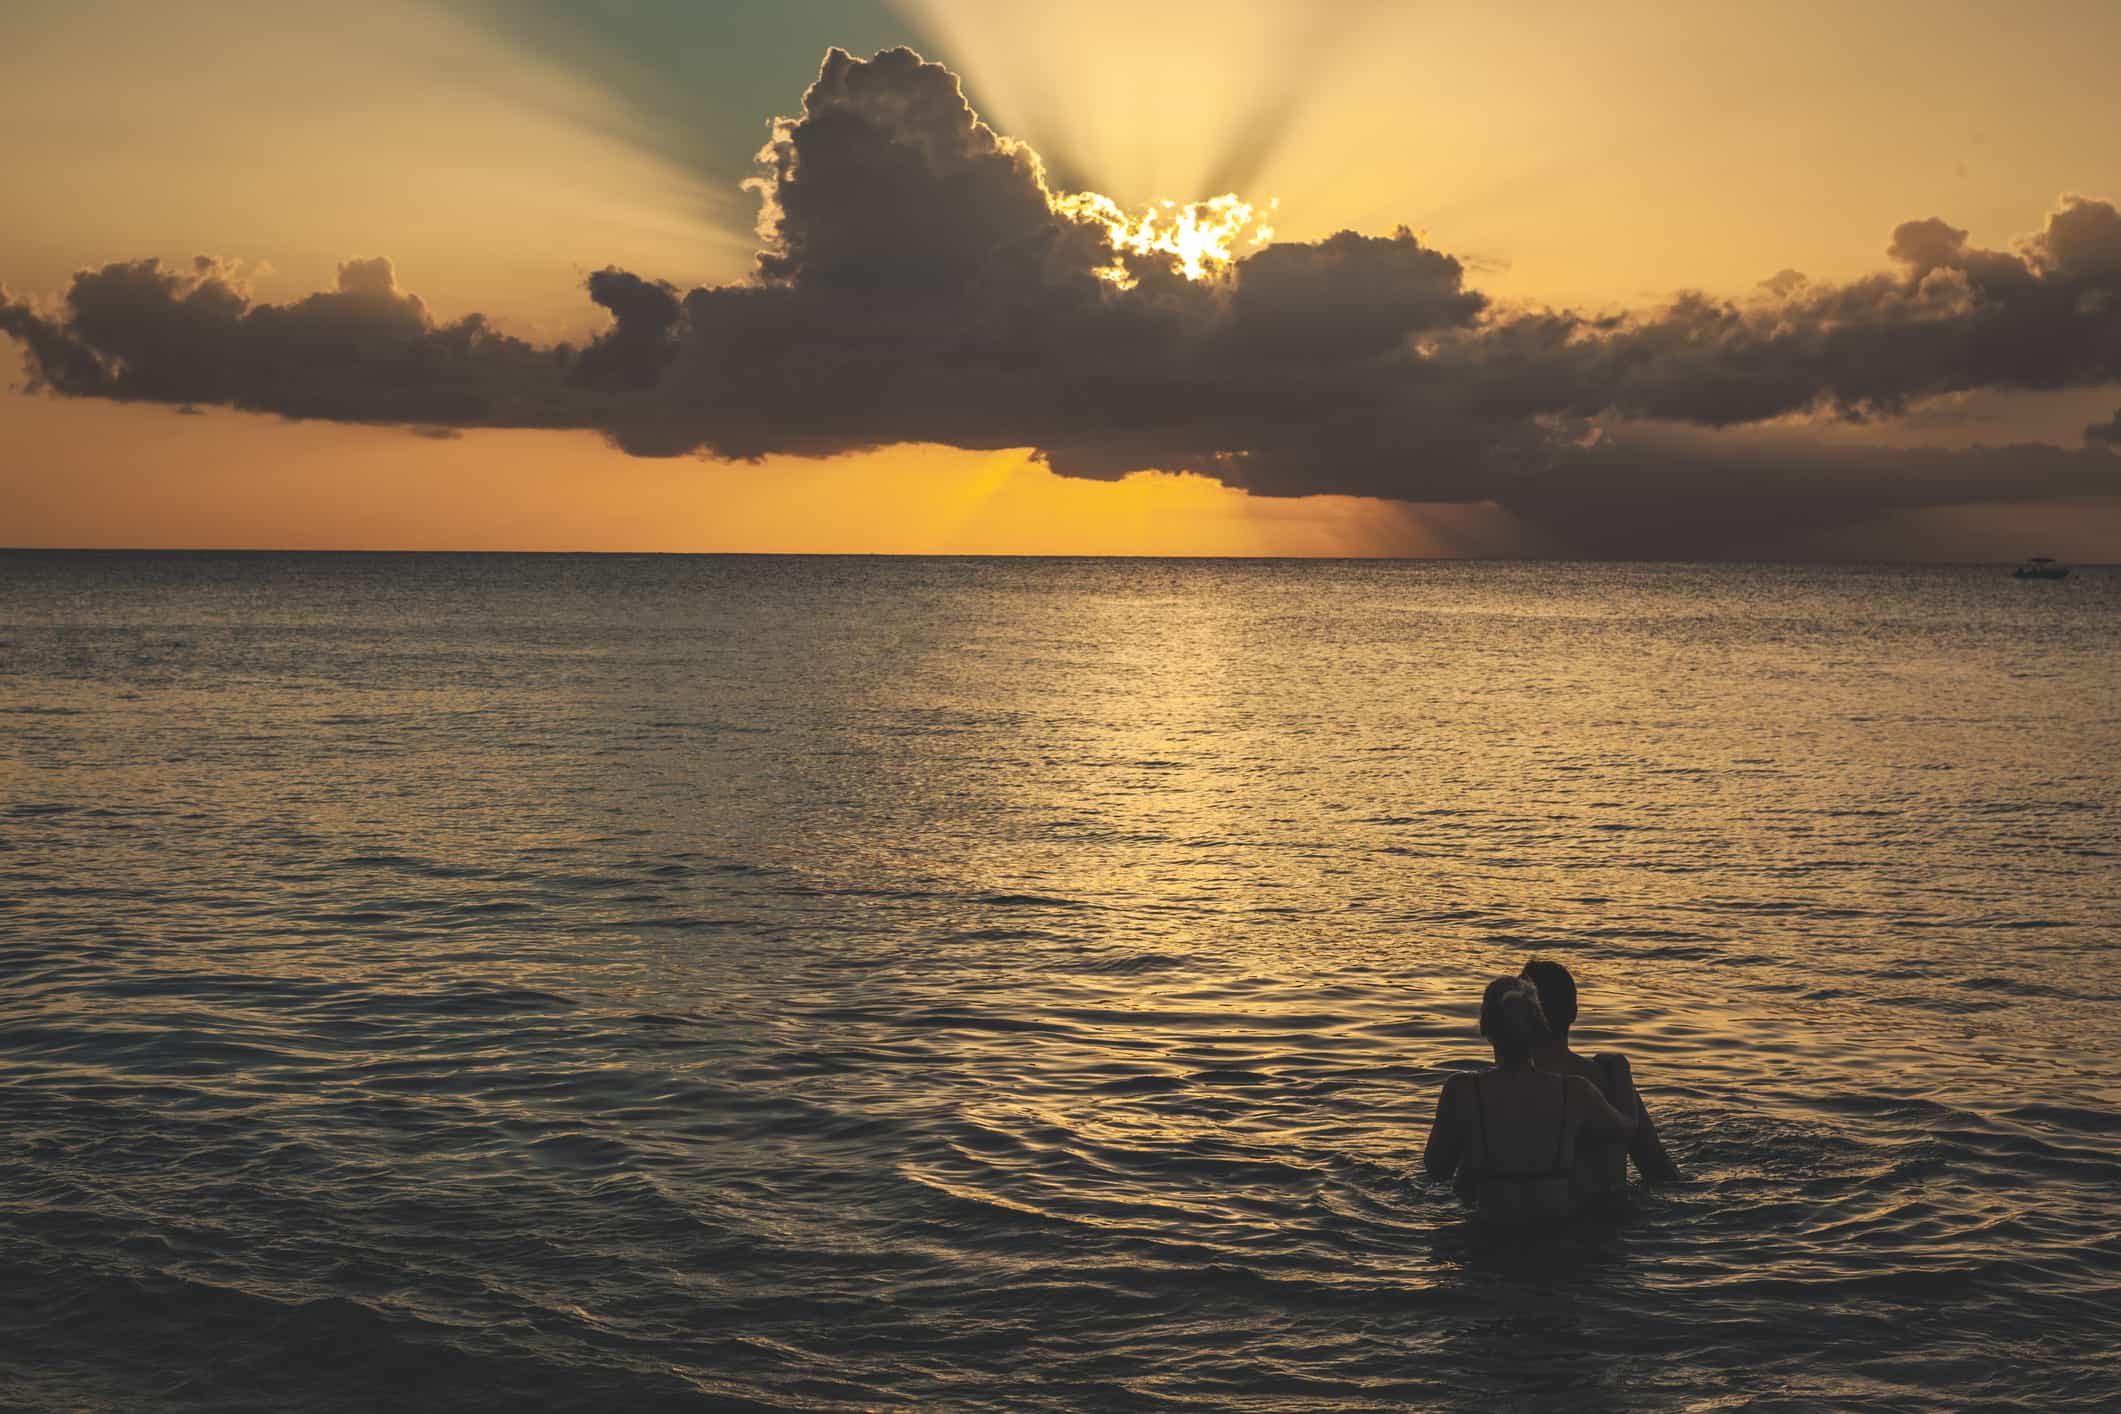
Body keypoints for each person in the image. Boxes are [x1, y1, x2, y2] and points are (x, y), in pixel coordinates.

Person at [1424, 976, 1637, 1223]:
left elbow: (1437, 1170)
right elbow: (1627, 1129)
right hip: (1558, 1238)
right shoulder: (1576, 1091)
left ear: (1485, 1028)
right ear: (1539, 1029)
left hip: (1487, 1241)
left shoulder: (1462, 1090)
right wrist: (1621, 1070)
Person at [1520, 957, 1682, 1198]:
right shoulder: (1611, 1081)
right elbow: (1659, 1170)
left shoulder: (1498, 1089)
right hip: (1608, 1221)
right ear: (1574, 1013)